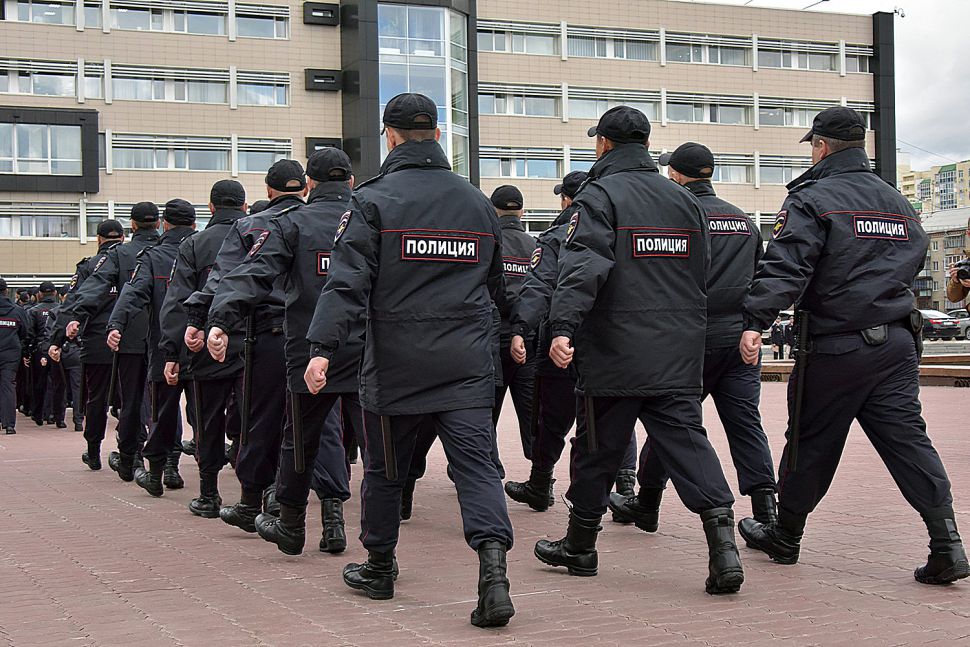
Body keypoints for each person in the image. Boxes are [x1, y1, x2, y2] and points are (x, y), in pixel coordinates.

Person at [304, 93, 515, 628]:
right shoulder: (476, 203)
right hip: (466, 364)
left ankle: (379, 567)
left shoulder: (373, 200)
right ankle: (494, 576)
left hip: (396, 365)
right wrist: (522, 330)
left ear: (390, 136)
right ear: (438, 135)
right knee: (478, 470)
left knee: (385, 471)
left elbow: (346, 283)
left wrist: (322, 349)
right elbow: (499, 286)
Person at [737, 106, 968, 586]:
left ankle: (785, 536)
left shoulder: (812, 198)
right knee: (908, 441)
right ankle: (947, 545)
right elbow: (915, 257)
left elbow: (787, 267)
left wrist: (756, 320)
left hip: (837, 345)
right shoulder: (896, 201)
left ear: (820, 146)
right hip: (897, 342)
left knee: (809, 441)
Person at [534, 106, 744, 595]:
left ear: (604, 144)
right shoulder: (684, 200)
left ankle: (580, 546)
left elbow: (583, 267)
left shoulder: (599, 195)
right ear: (646, 145)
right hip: (677, 351)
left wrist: (563, 326)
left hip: (615, 351)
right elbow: (701, 275)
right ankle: (724, 551)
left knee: (596, 449)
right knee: (688, 445)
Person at [610, 142, 777, 531]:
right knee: (745, 424)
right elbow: (760, 279)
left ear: (676, 175)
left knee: (673, 424)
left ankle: (647, 502)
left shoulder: (678, 218)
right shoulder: (743, 221)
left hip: (688, 343)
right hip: (737, 341)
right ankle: (767, 510)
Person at [206, 147, 364, 555]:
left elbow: (253, 273)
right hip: (367, 347)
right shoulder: (371, 217)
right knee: (359, 441)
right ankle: (352, 531)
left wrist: (220, 320)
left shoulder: (293, 223)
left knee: (299, 435)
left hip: (305, 345)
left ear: (310, 184)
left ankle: (291, 525)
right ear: (350, 181)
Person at [182, 161, 306, 518]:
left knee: (242, 419)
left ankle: (227, 495)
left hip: (252, 334)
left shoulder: (242, 230)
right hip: (314, 336)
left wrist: (200, 321)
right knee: (307, 423)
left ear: (267, 190)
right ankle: (306, 507)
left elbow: (225, 277)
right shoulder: (320, 222)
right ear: (305, 188)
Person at [159, 181, 248, 516]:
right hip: (251, 341)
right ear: (243, 206)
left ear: (211, 207)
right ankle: (258, 494)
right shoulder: (259, 234)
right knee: (254, 419)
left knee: (208, 420)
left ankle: (209, 494)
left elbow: (177, 300)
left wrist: (172, 351)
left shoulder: (194, 244)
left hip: (206, 342)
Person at [63, 203, 160, 481]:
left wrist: (73, 321)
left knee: (101, 398)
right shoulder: (165, 250)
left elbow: (85, 293)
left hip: (104, 340)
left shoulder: (105, 260)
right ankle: (157, 458)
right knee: (146, 397)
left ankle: (97, 451)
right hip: (150, 335)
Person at [107, 199, 197, 497]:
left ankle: (158, 473)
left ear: (165, 224)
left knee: (163, 411)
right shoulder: (208, 249)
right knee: (203, 415)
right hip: (203, 347)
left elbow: (133, 293)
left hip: (164, 345)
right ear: (194, 224)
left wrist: (116, 324)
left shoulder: (153, 257)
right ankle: (203, 485)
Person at [49, 220, 127, 470]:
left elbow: (71, 302)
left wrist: (57, 340)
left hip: (96, 341)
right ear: (123, 238)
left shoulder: (89, 267)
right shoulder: (133, 260)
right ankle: (131, 450)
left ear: (98, 239)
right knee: (133, 396)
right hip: (131, 339)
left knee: (97, 398)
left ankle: (93, 451)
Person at [489, 185, 538, 461]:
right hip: (527, 339)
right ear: (522, 212)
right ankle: (540, 475)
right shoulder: (536, 246)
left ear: (492, 210)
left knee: (487, 413)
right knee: (531, 415)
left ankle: (489, 469)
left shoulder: (490, 243)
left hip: (494, 339)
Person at [25, 282, 60, 426]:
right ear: (55, 293)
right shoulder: (61, 309)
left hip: (40, 349)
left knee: (39, 382)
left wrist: (27, 351)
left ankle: (38, 413)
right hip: (57, 348)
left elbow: (29, 333)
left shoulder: (33, 311)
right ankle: (53, 414)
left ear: (39, 294)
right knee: (56, 382)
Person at [0, 277, 31, 434]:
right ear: (6, 291)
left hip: (9, 351)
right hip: (10, 353)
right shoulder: (17, 310)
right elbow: (25, 332)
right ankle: (9, 424)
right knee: (8, 386)